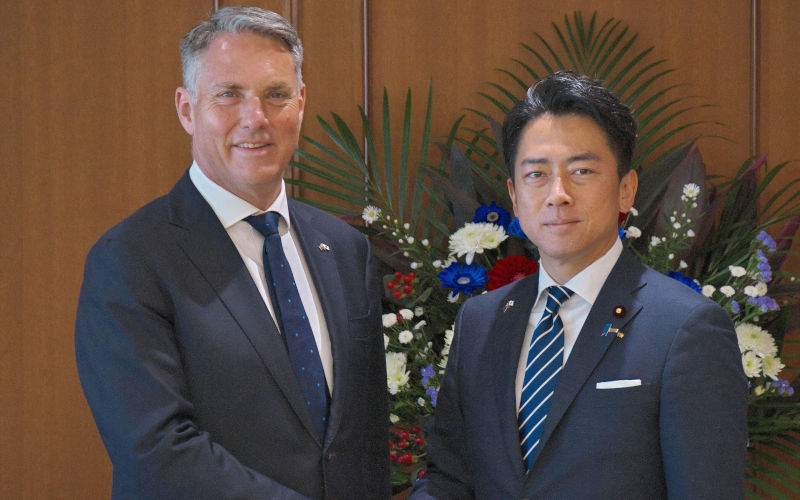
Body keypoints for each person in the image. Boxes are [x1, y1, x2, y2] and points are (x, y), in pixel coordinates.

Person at [75, 7, 389, 499]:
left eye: (276, 95)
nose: (255, 119)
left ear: (301, 103)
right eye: (228, 95)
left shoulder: (346, 250)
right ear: (186, 108)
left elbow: (365, 436)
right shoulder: (131, 258)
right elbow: (157, 451)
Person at [411, 72, 747, 499]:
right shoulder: (481, 321)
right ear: (514, 196)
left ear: (626, 190)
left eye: (582, 170)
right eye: (536, 175)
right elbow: (448, 479)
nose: (558, 194)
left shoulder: (686, 327)